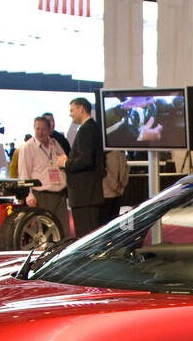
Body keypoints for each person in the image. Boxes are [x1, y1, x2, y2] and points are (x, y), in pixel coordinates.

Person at [18, 115, 70, 243]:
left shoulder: (55, 144)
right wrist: (28, 195)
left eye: (43, 129)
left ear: (49, 130)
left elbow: (64, 162)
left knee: (63, 232)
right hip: (41, 195)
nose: (40, 132)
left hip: (59, 194)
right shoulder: (28, 147)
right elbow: (24, 172)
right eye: (37, 129)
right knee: (42, 233)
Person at [59, 97, 103, 238]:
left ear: (81, 109)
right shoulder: (91, 128)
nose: (70, 114)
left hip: (84, 195)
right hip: (87, 194)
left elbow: (85, 160)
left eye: (72, 110)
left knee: (86, 237)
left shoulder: (87, 129)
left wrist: (65, 163)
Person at [100, 149, 130, 227]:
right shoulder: (105, 151)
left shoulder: (121, 151)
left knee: (115, 221)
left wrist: (122, 184)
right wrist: (115, 186)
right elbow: (104, 171)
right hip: (106, 192)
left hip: (118, 192)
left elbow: (126, 168)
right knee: (105, 223)